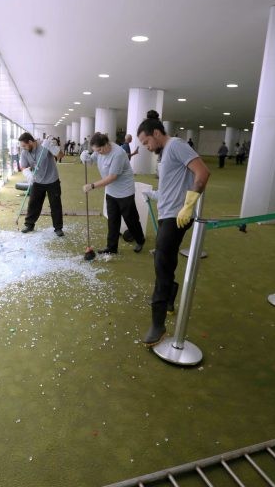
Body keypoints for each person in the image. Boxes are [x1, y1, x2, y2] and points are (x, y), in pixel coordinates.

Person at [137, 110, 210, 345]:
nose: (146, 147)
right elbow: (173, 184)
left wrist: (188, 205)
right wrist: (155, 194)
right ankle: (171, 293)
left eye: (146, 141)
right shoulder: (165, 153)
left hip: (177, 216)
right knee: (164, 260)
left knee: (161, 262)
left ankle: (157, 324)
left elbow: (202, 173)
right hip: (167, 213)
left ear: (157, 133)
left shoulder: (176, 145)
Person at [80, 132, 146, 254]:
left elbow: (112, 177)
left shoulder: (118, 154)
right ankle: (112, 247)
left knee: (131, 219)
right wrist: (84, 158)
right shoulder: (99, 150)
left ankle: (140, 240)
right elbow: (90, 162)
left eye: (99, 150)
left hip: (125, 191)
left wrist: (92, 186)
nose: (98, 152)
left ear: (106, 144)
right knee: (113, 220)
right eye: (95, 150)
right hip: (111, 191)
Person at [18, 132, 65, 236]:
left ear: (30, 142)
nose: (23, 148)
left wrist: (52, 148)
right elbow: (23, 167)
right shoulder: (25, 152)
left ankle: (58, 228)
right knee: (33, 203)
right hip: (37, 181)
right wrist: (27, 173)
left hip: (52, 180)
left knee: (55, 205)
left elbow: (61, 155)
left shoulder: (44, 146)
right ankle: (29, 224)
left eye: (24, 146)